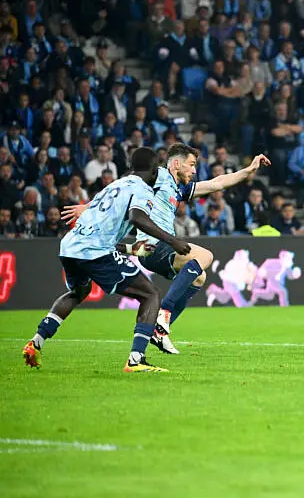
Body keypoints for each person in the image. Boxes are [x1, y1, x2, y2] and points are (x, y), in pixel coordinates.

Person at [62, 146, 271, 355]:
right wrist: (88, 207)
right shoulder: (158, 175)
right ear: (176, 163)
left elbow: (217, 183)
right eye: (191, 165)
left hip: (158, 249)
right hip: (153, 244)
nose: (194, 171)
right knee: (205, 256)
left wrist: (248, 170)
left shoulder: (179, 189)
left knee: (199, 277)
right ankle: (164, 312)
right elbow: (122, 187)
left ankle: (159, 331)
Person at [22, 148, 192, 373]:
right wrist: (173, 241)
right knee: (151, 295)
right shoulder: (143, 189)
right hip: (95, 250)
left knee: (79, 291)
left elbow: (100, 227)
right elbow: (137, 217)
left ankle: (36, 342)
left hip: (71, 245)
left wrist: (130, 249)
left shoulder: (114, 185)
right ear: (153, 172)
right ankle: (136, 360)